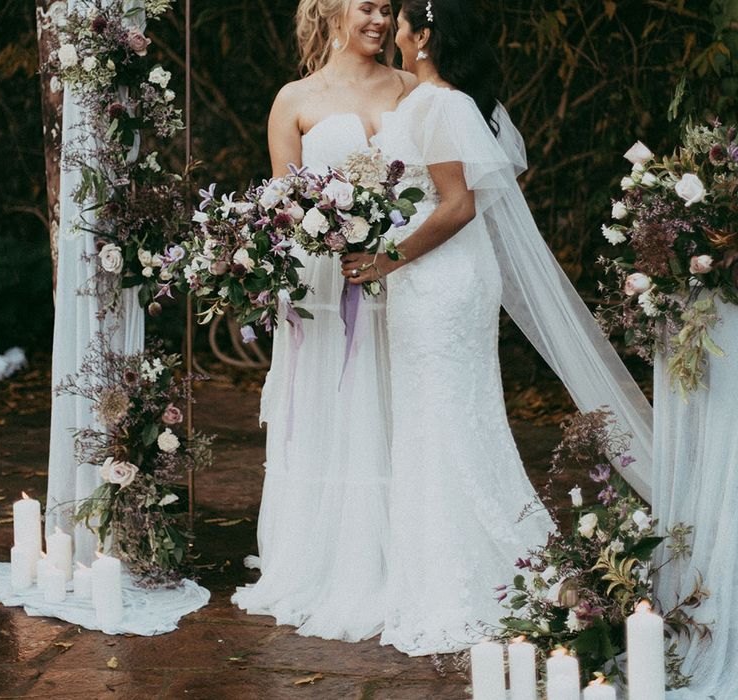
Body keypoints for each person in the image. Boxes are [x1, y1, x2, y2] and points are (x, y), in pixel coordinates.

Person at [341, 0, 654, 655]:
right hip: (422, 278)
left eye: (402, 23)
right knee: (434, 416)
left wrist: (384, 257)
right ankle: (451, 563)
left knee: (447, 414)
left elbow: (457, 205)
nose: (395, 33)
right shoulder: (426, 103)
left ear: (423, 36)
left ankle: (477, 574)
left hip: (442, 280)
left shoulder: (446, 106)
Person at [232, 0, 417, 643]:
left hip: (399, 275)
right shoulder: (295, 99)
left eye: (387, 9)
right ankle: (322, 556)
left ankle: (400, 554)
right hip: (321, 284)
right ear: (333, 9)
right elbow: (281, 211)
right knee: (330, 408)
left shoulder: (413, 88)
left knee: (391, 405)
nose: (377, 19)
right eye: (366, 5)